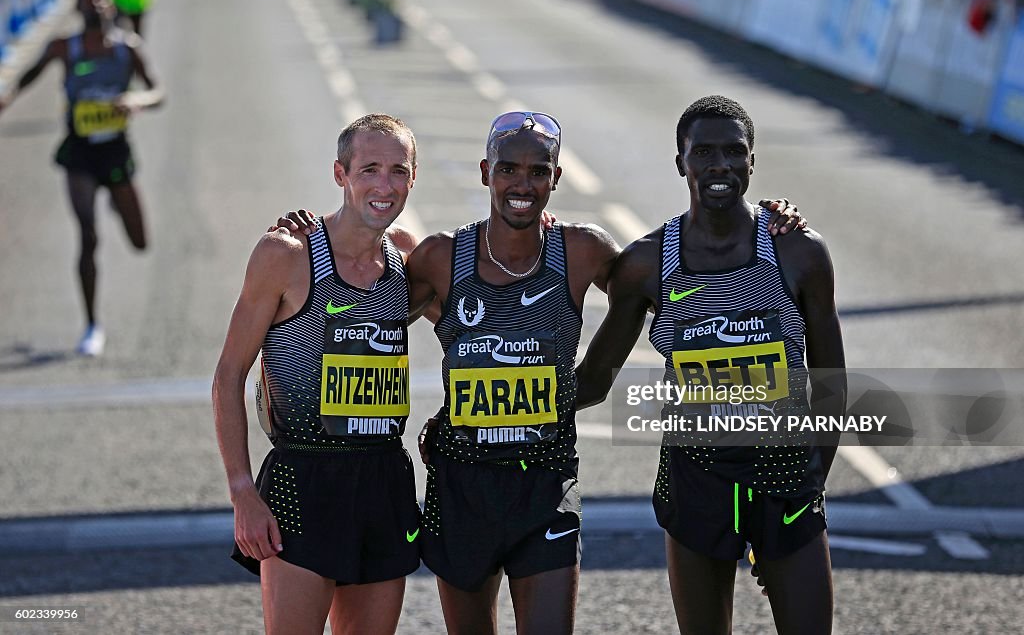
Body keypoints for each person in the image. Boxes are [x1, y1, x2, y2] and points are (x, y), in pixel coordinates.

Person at [401, 111, 808, 635]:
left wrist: (765, 221)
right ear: (486, 172)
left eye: (538, 171)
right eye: (508, 170)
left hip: (545, 480)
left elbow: (670, 287)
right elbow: (366, 316)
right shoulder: (441, 256)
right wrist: (308, 257)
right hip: (462, 481)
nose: (522, 184)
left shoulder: (584, 250)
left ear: (556, 178)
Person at [575, 95, 846, 634]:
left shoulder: (798, 253)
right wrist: (480, 412)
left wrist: (812, 484)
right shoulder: (648, 263)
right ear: (681, 162)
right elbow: (593, 381)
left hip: (786, 477)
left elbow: (831, 388)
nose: (719, 165)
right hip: (695, 480)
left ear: (752, 161)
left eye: (733, 152)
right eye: (703, 153)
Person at [212, 114, 425, 635]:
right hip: (304, 480)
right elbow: (228, 375)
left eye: (398, 171)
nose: (384, 185)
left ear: (412, 179)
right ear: (340, 173)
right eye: (369, 169)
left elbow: (480, 316)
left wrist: (538, 231)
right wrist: (242, 490)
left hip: (382, 479)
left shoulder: (407, 256)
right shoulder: (286, 255)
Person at [0, 0, 162, 356]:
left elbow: (159, 91)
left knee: (140, 242)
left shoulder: (127, 48)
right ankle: (92, 324)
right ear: (77, 7)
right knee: (87, 236)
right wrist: (7, 99)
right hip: (80, 154)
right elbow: (30, 74)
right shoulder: (64, 47)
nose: (95, 3)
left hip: (116, 153)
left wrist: (139, 98)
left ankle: (115, 200)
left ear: (110, 6)